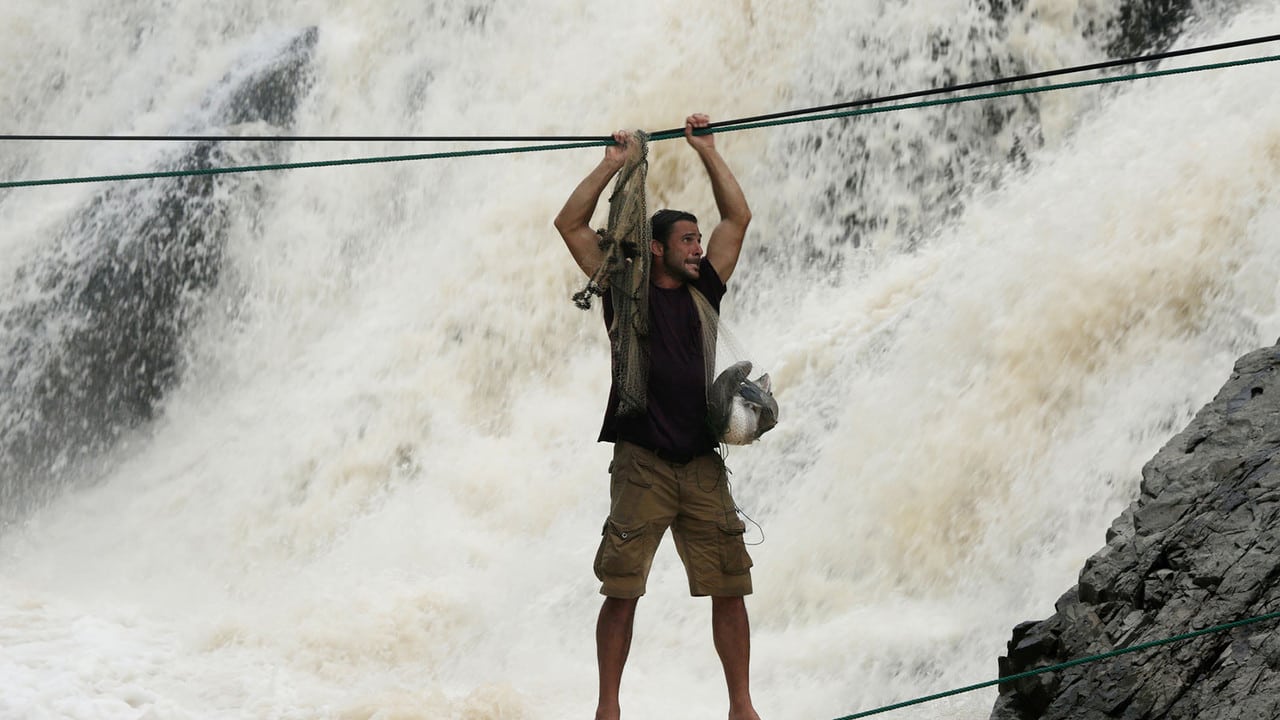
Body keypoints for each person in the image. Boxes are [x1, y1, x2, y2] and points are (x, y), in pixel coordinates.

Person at [553, 113, 760, 720]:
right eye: (687, 241)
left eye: (699, 240)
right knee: (621, 592)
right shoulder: (622, 289)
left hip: (700, 463)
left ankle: (742, 708)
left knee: (730, 585)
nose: (699, 248)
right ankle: (608, 710)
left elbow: (737, 219)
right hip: (641, 463)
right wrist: (613, 164)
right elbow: (568, 224)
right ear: (656, 249)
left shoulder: (706, 288)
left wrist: (708, 151)